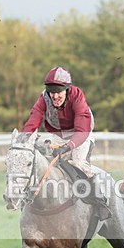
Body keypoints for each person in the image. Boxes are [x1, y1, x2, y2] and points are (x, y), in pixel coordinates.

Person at [21, 66, 110, 219]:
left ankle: (100, 202)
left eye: (58, 92)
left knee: (77, 162)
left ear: (67, 90)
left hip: (81, 134)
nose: (55, 96)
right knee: (38, 157)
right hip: (57, 134)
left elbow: (82, 129)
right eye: (52, 92)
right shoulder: (44, 98)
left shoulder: (77, 96)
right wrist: (24, 140)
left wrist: (68, 146)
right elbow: (34, 120)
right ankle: (28, 196)